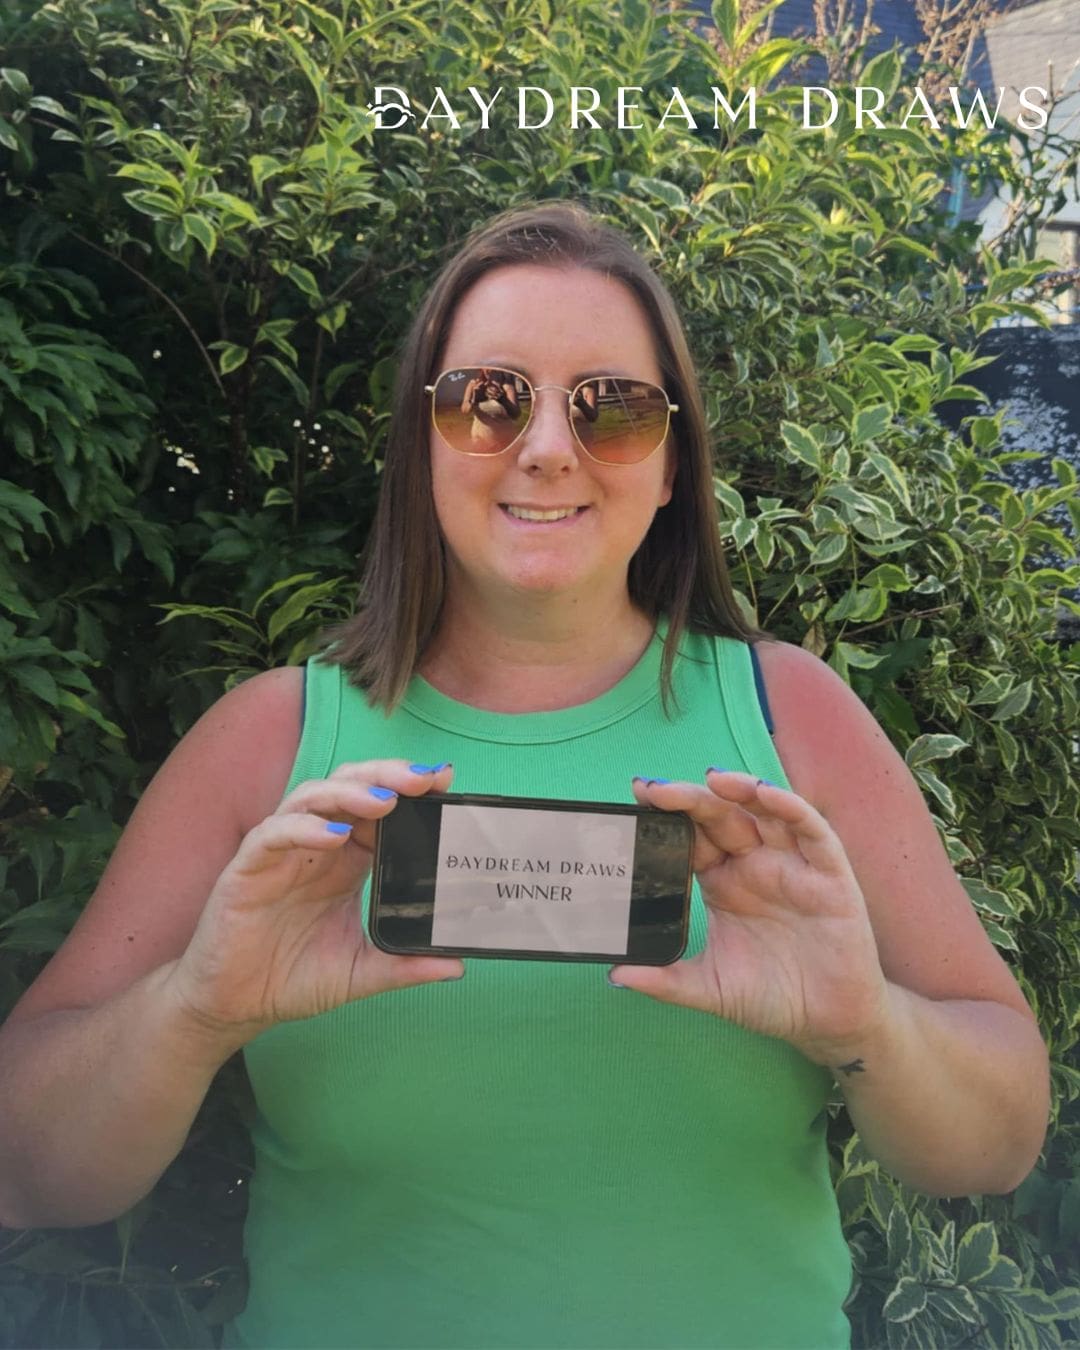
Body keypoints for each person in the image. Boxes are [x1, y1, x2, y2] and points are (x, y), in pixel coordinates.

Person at [0, 202, 1049, 1350]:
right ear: (423, 444)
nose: (547, 447)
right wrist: (193, 1010)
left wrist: (870, 1026)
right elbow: (28, 1172)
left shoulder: (794, 722)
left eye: (614, 407)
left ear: (672, 464)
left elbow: (996, 1147)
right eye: (487, 399)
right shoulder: (263, 746)